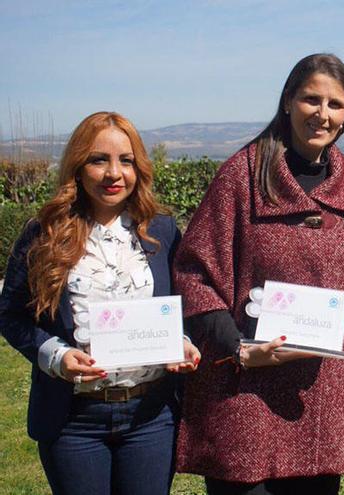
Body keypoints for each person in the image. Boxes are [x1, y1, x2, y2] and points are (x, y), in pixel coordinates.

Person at [173, 53, 344, 495]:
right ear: (287, 102)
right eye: (310, 99)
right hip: (246, 397)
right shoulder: (241, 178)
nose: (323, 114)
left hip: (321, 400)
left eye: (336, 104)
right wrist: (238, 348)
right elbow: (193, 274)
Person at [0, 111, 199, 495]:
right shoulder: (43, 233)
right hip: (74, 421)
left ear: (139, 168)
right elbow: (10, 314)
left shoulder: (161, 230)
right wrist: (54, 355)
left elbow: (180, 305)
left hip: (151, 418)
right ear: (77, 166)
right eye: (98, 160)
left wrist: (183, 342)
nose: (114, 173)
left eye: (125, 161)